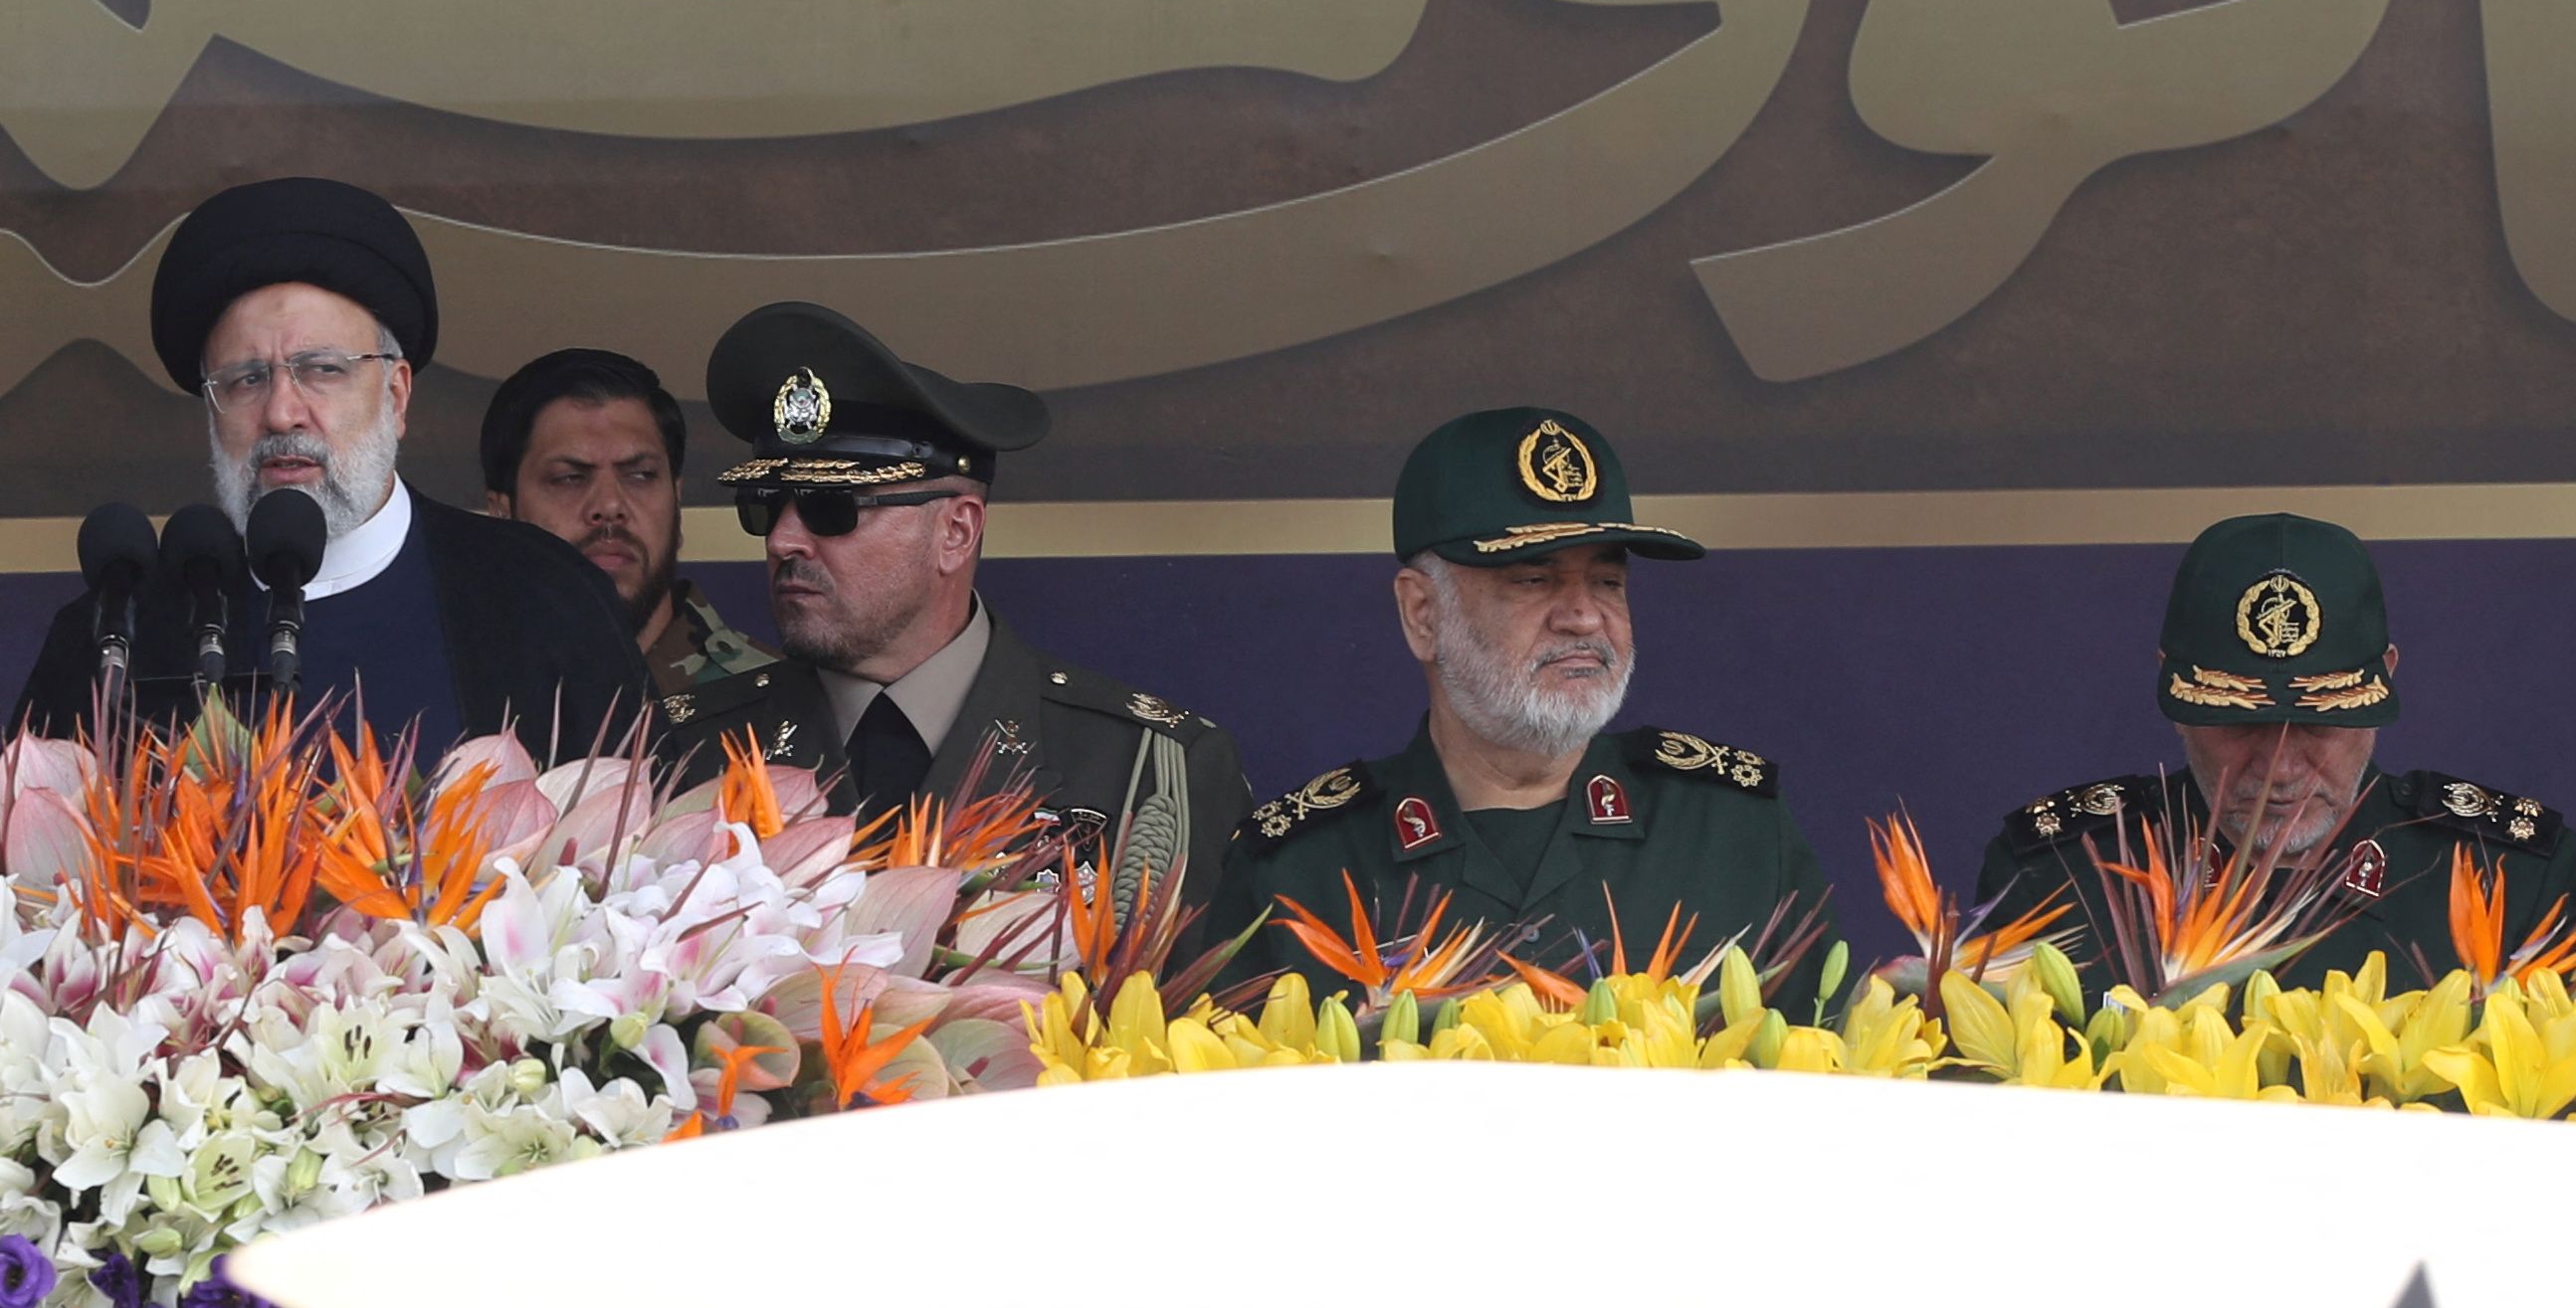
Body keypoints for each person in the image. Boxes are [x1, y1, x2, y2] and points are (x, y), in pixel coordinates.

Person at [1206, 408, 1831, 998]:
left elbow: (1831, 1081)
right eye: (1534, 579)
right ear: (1422, 614)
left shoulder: (1734, 831)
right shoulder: (1298, 869)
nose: (1584, 615)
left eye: (1607, 581)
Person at [12, 178, 645, 758]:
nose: (283, 412)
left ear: (395, 396)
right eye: (246, 379)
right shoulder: (117, 632)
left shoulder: (542, 592)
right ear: (212, 413)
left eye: (324, 370)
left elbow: (634, 853)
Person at [681, 300, 1248, 912]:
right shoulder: (677, 751)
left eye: (831, 509)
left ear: (956, 531)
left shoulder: (1155, 769)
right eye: (766, 507)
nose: (783, 540)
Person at [1975, 514, 2576, 997]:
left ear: (2386, 681)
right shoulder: (2058, 875)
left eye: (2319, 725)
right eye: (2240, 725)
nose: (2281, 769)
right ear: (2175, 694)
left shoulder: (2508, 874)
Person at [480, 346, 776, 697]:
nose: (609, 505)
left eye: (640, 475)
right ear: (502, 514)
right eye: (569, 478)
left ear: (676, 503)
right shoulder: (451, 696)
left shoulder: (774, 703)